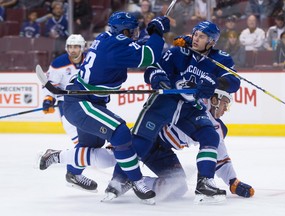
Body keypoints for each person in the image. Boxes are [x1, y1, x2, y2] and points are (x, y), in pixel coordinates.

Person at [41, 11, 170, 204]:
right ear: (123, 30)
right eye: (132, 31)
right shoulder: (118, 44)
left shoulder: (107, 38)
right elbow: (148, 56)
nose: (135, 34)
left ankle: (71, 171)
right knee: (121, 133)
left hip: (86, 99)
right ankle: (137, 181)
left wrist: (150, 34)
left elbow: (135, 48)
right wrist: (158, 33)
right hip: (82, 103)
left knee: (92, 145)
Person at [38, 89, 254, 202]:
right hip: (146, 138)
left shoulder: (215, 127)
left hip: (162, 151)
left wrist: (233, 182)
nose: (226, 109)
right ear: (215, 99)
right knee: (110, 158)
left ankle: (136, 182)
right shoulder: (190, 103)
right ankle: (57, 156)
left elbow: (220, 156)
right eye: (225, 103)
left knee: (177, 187)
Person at [129, 20, 241, 204]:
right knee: (122, 150)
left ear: (212, 42)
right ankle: (69, 158)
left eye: (202, 37)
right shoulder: (181, 50)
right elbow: (154, 68)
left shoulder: (221, 59)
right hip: (164, 121)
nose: (196, 39)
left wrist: (215, 82)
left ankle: (204, 181)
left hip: (182, 121)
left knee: (208, 141)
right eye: (195, 34)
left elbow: (233, 81)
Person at [42, 34, 100, 191]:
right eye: (70, 47)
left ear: (82, 48)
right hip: (67, 107)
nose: (72, 50)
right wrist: (48, 99)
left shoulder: (90, 60)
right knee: (82, 143)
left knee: (93, 142)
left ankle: (73, 173)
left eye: (76, 47)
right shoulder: (59, 63)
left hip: (89, 104)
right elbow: (51, 85)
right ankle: (74, 174)